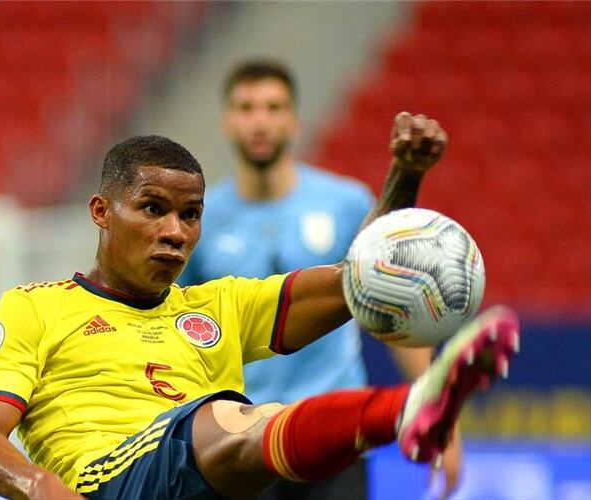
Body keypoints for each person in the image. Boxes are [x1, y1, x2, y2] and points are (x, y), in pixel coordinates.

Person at [0, 118, 519, 499]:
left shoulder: (219, 304)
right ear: (102, 211)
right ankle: (405, 410)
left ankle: (406, 410)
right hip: (109, 482)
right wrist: (39, 488)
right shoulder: (35, 306)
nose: (175, 232)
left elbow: (360, 278)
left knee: (245, 421)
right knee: (234, 417)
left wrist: (406, 173)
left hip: (212, 482)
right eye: (153, 209)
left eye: (191, 214)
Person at [177, 59, 462, 498]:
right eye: (247, 107)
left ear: (293, 120)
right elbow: (177, 329)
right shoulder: (201, 218)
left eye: (273, 107)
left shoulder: (346, 204)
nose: (260, 121)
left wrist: (440, 412)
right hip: (244, 439)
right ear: (227, 121)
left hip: (336, 432)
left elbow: (394, 306)